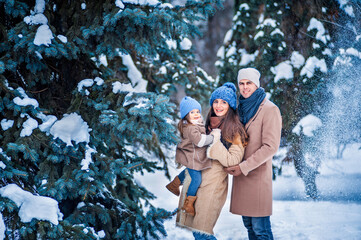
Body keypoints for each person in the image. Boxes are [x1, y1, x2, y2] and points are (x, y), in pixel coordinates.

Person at [176, 83, 248, 240]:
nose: (219, 105)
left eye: (224, 102)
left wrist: (215, 143)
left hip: (213, 185)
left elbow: (234, 159)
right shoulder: (205, 124)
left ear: (231, 105)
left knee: (202, 231)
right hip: (195, 184)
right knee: (197, 231)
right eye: (216, 101)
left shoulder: (235, 129)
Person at [224, 68, 282, 240]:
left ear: (256, 85)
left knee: (261, 229)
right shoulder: (238, 109)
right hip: (241, 176)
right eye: (241, 83)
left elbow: (270, 147)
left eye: (249, 83)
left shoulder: (270, 109)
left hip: (256, 176)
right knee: (249, 226)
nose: (244, 87)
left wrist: (243, 167)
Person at [166, 96, 214, 216]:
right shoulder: (190, 128)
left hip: (192, 156)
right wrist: (213, 138)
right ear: (186, 115)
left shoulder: (194, 124)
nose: (196, 114)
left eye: (197, 111)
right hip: (193, 157)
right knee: (196, 179)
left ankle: (174, 184)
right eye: (192, 112)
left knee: (189, 170)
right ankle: (188, 204)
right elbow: (200, 141)